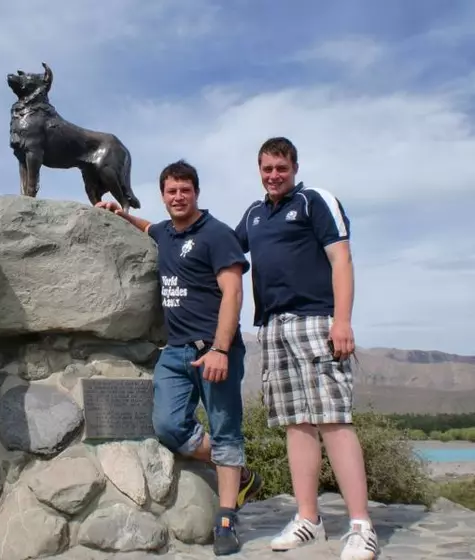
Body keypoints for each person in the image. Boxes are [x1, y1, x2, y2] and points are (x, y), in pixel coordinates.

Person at [97, 159, 263, 556]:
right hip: (175, 352)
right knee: (168, 426)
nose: (177, 197)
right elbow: (148, 227)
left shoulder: (217, 235)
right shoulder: (166, 233)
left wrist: (221, 349)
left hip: (213, 349)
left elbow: (234, 294)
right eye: (171, 191)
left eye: (184, 190)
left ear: (196, 193)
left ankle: (225, 519)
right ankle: (239, 474)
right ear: (163, 195)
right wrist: (121, 214)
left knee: (225, 431)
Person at [234, 137, 377, 559]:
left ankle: (360, 525)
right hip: (272, 327)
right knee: (297, 424)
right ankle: (309, 519)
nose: (274, 175)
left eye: (281, 167)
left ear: (294, 167)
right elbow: (217, 244)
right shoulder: (255, 214)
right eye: (267, 168)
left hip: (318, 322)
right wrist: (144, 225)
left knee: (333, 420)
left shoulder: (315, 201)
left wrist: (343, 320)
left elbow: (342, 260)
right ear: (259, 170)